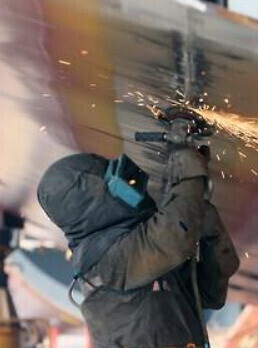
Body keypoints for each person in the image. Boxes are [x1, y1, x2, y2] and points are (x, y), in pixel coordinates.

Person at [37, 146, 239, 348]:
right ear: (90, 202)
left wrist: (211, 234)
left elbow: (206, 294)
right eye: (113, 181)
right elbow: (175, 234)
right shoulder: (109, 262)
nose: (128, 184)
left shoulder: (122, 252)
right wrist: (190, 173)